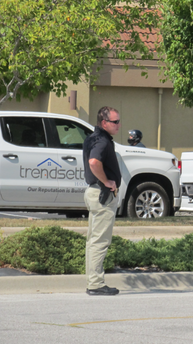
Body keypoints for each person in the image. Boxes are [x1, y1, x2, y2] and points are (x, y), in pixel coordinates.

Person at [83, 106, 122, 295]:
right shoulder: (102, 141)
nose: (119, 125)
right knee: (100, 241)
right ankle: (96, 284)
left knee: (93, 240)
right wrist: (106, 181)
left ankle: (93, 281)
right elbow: (93, 162)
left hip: (94, 193)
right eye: (115, 122)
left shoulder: (92, 138)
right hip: (102, 195)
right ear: (104, 123)